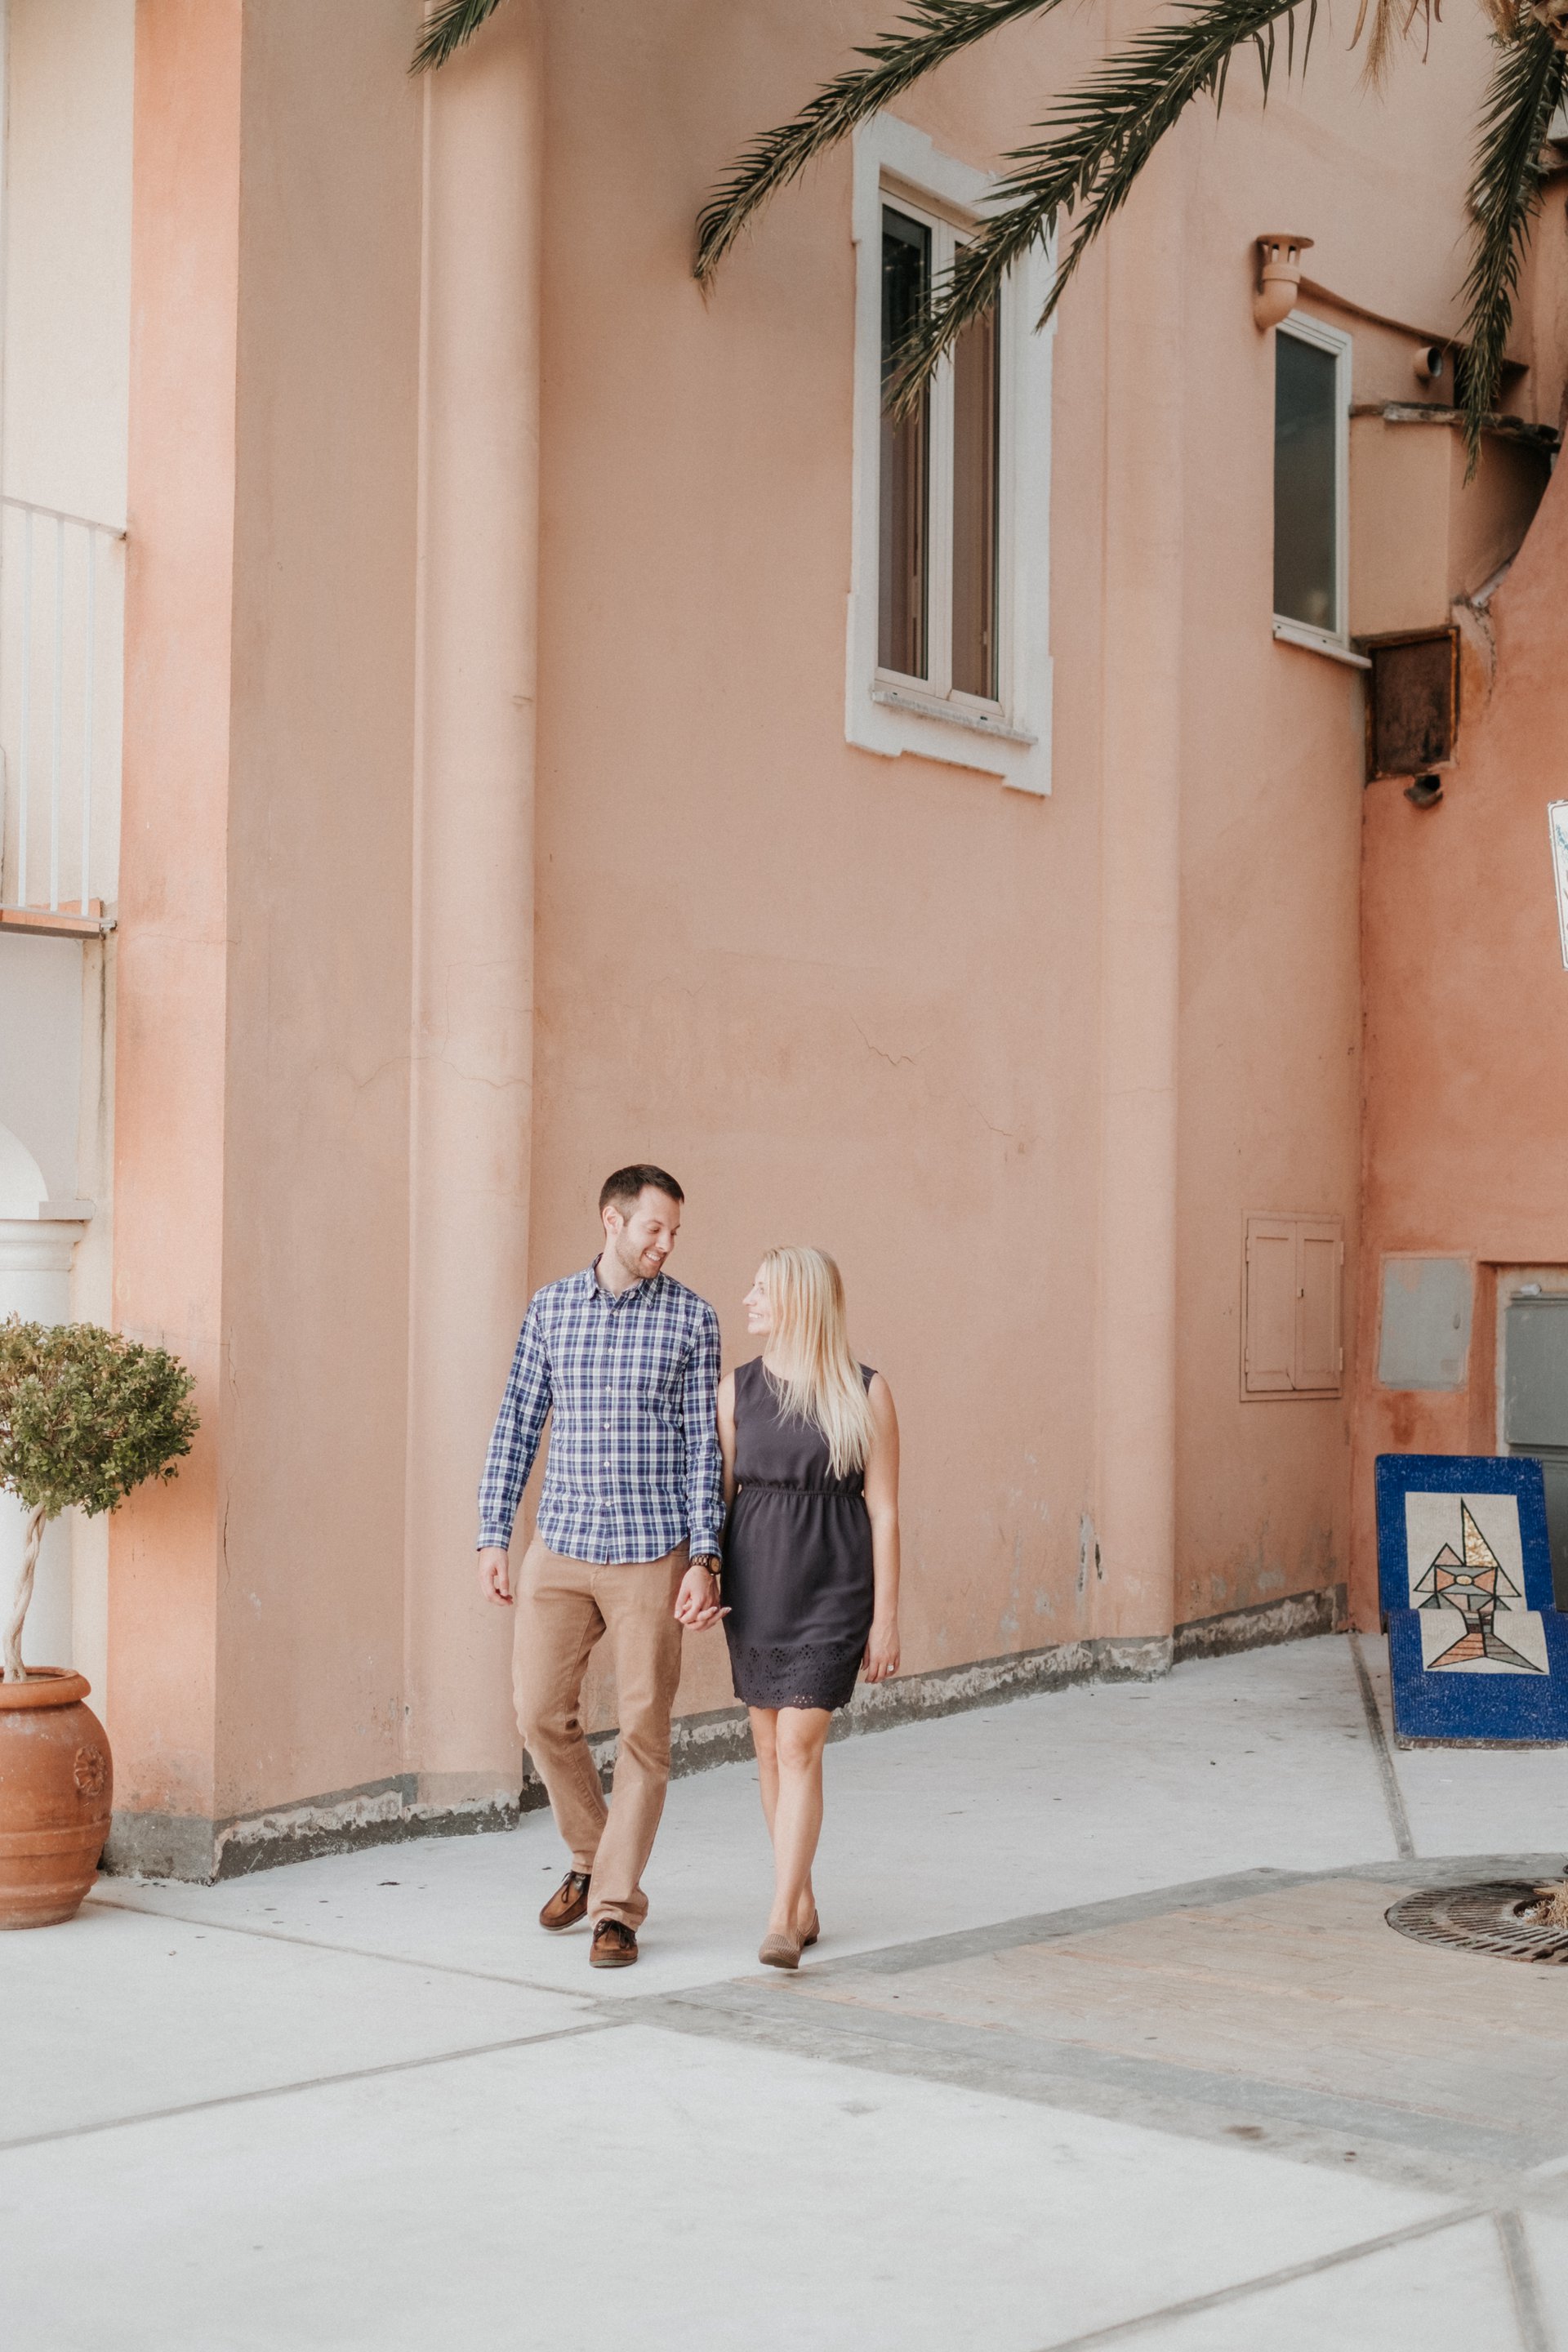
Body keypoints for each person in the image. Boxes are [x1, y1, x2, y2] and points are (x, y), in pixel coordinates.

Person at [477, 1165, 725, 1969]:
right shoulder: (551, 1309)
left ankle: (615, 1908)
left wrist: (706, 1558)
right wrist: (494, 1535)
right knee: (539, 1713)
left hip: (654, 1550)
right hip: (560, 1544)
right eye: (654, 1227)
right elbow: (517, 1421)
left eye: (674, 1232)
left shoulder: (692, 1318)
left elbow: (703, 1453)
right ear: (611, 1221)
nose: (666, 1243)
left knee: (646, 1736)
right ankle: (590, 1853)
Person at [717, 1246, 900, 1970]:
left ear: (797, 1300)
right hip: (758, 1585)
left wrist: (886, 1619)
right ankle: (806, 1901)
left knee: (798, 1745)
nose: (748, 1300)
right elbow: (720, 1499)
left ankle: (780, 1920)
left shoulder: (866, 1391)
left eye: (761, 1290)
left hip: (834, 1585)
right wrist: (706, 1576)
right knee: (768, 1747)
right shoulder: (736, 1390)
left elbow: (884, 1513)